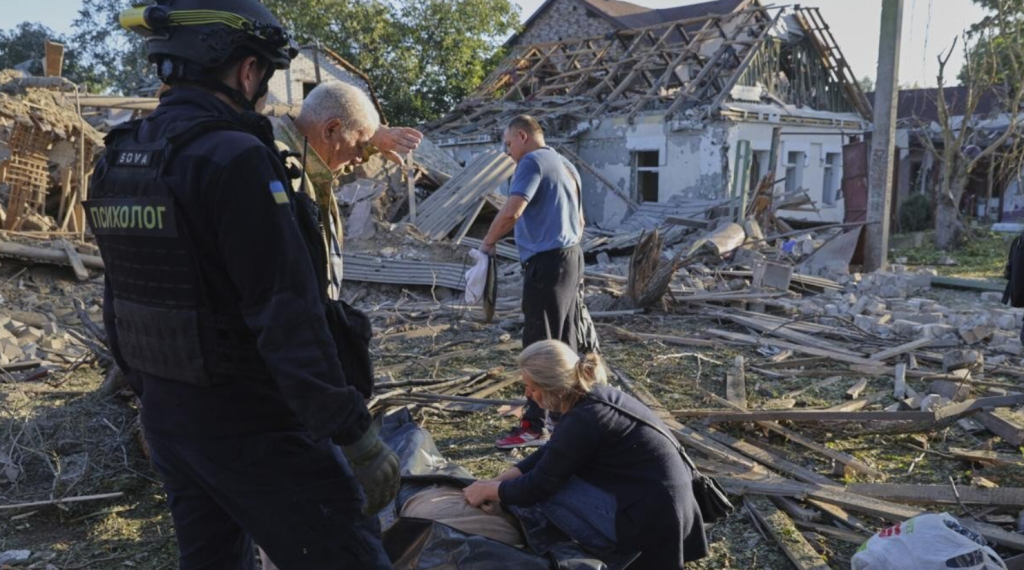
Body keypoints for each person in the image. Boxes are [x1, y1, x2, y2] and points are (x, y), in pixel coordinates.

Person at [89, 1, 397, 568]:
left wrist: (153, 398)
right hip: (253, 425)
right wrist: (354, 433)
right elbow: (287, 314)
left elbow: (119, 301)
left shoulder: (120, 159)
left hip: (170, 418)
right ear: (246, 71)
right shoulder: (237, 159)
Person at [463, 340, 709, 568]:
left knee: (546, 494)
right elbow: (553, 453)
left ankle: (620, 555)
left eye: (531, 387)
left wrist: (490, 492)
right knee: (543, 480)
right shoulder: (595, 397)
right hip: (660, 507)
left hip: (650, 523)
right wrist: (496, 482)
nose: (527, 395)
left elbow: (538, 486)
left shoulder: (585, 419)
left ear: (553, 387)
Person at [479, 115, 588, 449]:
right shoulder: (566, 164)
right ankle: (568, 419)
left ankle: (535, 425)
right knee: (565, 343)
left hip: (547, 263)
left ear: (523, 136)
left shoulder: (531, 162)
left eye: (508, 143)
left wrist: (487, 242)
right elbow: (581, 220)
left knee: (539, 346)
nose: (508, 151)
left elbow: (513, 211)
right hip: (571, 257)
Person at [272, 82, 422, 299]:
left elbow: (341, 160)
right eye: (360, 145)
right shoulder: (278, 168)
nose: (361, 158)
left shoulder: (311, 163)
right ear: (331, 129)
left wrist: (373, 138)